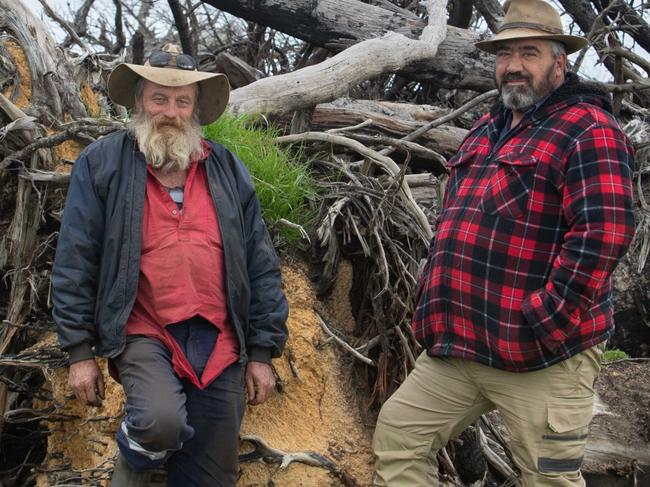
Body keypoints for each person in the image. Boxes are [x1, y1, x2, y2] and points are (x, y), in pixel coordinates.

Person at [372, 0, 635, 485]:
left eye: (529, 53)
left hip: (542, 354)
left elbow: (606, 232)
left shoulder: (587, 128)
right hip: (464, 345)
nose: (513, 65)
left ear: (560, 61)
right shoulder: (489, 127)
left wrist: (546, 318)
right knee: (400, 435)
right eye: (504, 53)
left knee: (549, 478)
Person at [51, 43, 289, 486]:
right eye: (159, 98)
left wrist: (261, 351)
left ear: (196, 109)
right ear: (140, 101)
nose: (170, 112)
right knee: (159, 422)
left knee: (211, 478)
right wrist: (79, 353)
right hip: (145, 330)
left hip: (220, 339)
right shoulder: (102, 163)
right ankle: (133, 463)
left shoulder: (227, 169)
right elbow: (75, 259)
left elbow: (260, 262)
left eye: (182, 101)